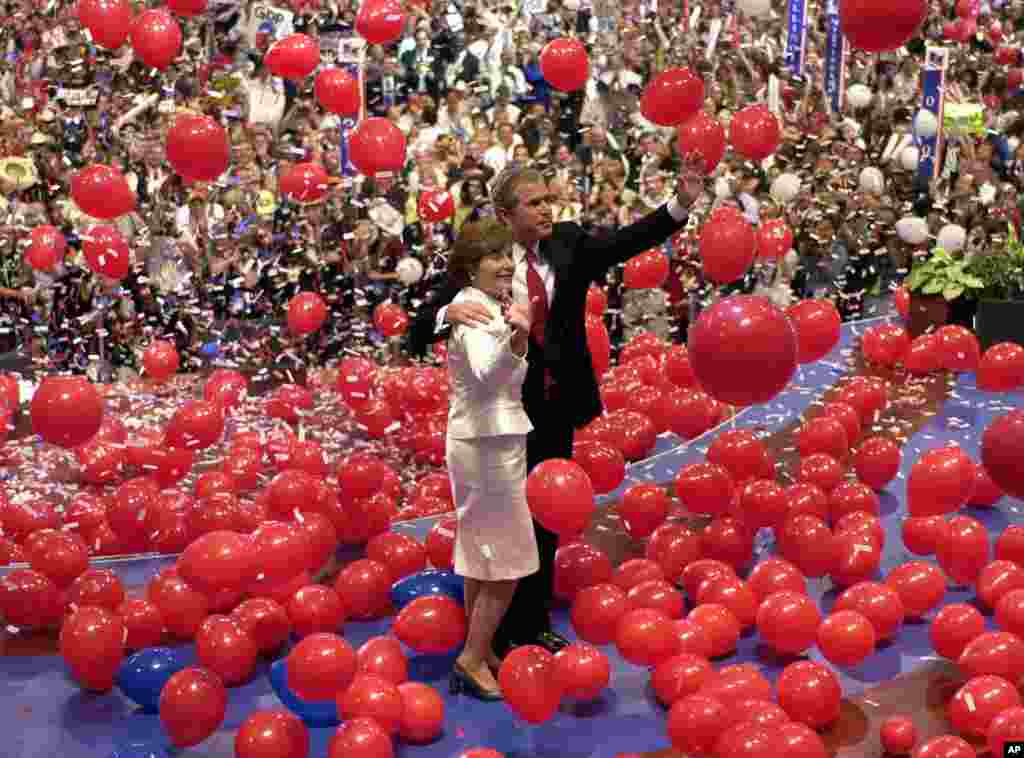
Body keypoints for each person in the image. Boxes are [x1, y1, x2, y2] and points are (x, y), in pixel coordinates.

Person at [409, 157, 705, 660]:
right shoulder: (486, 259)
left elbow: (628, 240)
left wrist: (682, 202)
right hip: (502, 414)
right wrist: (445, 312)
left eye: (549, 200)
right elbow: (418, 329)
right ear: (506, 214)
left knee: (545, 517)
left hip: (554, 406)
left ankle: (534, 621)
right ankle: (494, 634)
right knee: (505, 520)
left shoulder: (570, 243)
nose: (548, 210)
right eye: (535, 203)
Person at [444, 218, 536, 701]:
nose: (504, 264)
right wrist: (517, 342)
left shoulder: (475, 306)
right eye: (493, 257)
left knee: (481, 553)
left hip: (479, 442)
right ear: (470, 267)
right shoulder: (477, 313)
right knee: (510, 557)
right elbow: (485, 373)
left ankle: (477, 648)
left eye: (507, 255)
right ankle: (473, 658)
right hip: (489, 445)